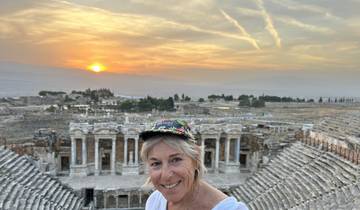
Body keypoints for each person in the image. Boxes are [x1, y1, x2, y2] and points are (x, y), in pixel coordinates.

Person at [140, 119, 248, 210]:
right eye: (156, 163)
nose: (166, 175)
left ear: (195, 159)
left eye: (175, 160)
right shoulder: (155, 201)